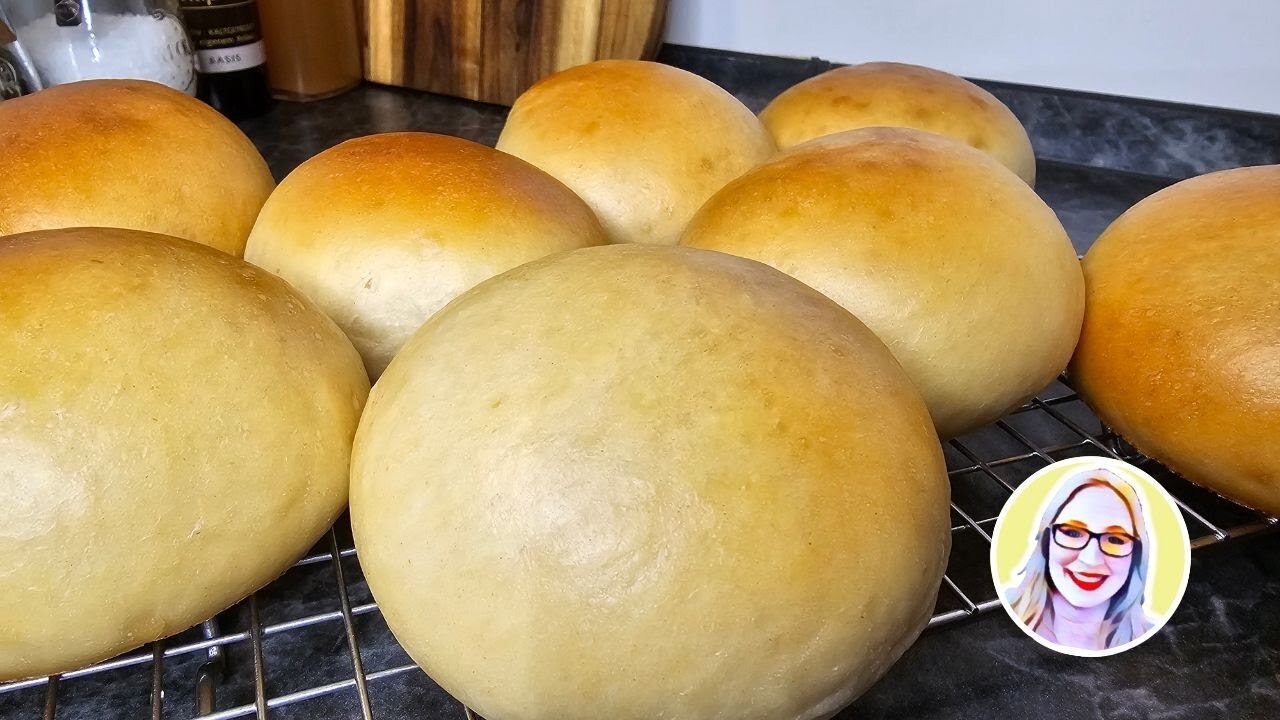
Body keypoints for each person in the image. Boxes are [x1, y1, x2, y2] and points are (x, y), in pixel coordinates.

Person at [1006, 468, 1157, 651]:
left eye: (1115, 539)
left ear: (1137, 554)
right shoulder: (999, 613)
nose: (1090, 559)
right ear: (1047, 541)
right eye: (1072, 532)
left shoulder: (1156, 640)